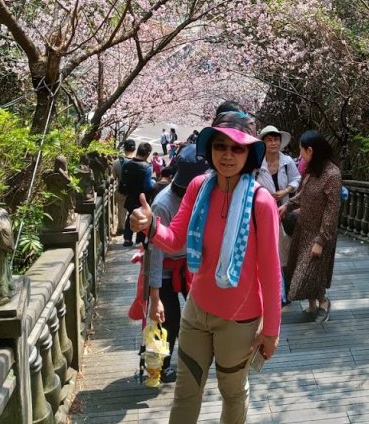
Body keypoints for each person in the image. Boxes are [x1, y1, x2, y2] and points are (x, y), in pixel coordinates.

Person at [129, 110, 282, 424]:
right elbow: (175, 240)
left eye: (237, 148)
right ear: (210, 149)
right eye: (220, 146)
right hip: (196, 311)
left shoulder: (261, 202)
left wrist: (271, 331)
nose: (227, 155)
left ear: (250, 153)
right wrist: (151, 226)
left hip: (239, 320)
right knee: (186, 391)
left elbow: (270, 271)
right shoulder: (199, 187)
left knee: (233, 392)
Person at [145, 144, 210, 383]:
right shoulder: (163, 203)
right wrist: (155, 298)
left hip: (191, 265)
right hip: (165, 268)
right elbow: (155, 253)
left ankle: (194, 359)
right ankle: (160, 365)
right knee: (167, 318)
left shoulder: (210, 194)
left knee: (200, 314)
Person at [280, 131, 342, 321]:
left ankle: (323, 301)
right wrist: (287, 205)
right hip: (303, 229)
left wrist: (321, 240)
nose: (300, 155)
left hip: (319, 233)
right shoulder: (312, 171)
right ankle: (312, 305)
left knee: (305, 275)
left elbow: (332, 211)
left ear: (311, 150)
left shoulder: (332, 175)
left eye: (302, 151)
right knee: (307, 272)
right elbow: (303, 196)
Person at [121, 141, 155, 248]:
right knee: (142, 217)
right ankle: (140, 240)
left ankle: (127, 238)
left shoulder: (127, 164)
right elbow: (147, 186)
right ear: (148, 153)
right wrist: (154, 182)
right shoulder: (147, 167)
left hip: (130, 196)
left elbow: (123, 180)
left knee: (130, 215)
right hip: (142, 198)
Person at [256, 125, 300, 204]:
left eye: (276, 139)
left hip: (284, 206)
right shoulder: (256, 164)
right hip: (263, 206)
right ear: (263, 143)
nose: (273, 143)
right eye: (269, 140)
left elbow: (296, 179)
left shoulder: (288, 161)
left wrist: (286, 191)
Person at [111, 139, 138, 237]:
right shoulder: (138, 161)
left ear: (124, 149)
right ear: (134, 148)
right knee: (134, 210)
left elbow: (113, 177)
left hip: (121, 190)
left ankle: (121, 228)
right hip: (135, 191)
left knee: (121, 210)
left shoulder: (117, 162)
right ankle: (133, 228)